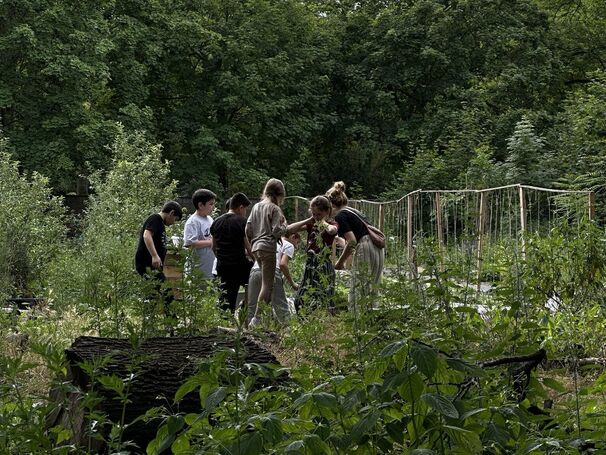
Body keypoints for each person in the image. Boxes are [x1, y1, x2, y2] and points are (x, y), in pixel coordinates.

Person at [326, 181, 384, 309]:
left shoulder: (340, 216)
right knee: (373, 287)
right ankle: (373, 321)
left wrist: (340, 262)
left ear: (330, 205)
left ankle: (357, 322)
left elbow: (352, 241)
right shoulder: (353, 211)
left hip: (366, 246)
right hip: (377, 247)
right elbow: (356, 237)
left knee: (359, 287)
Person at [245, 178, 288, 326]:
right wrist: (285, 226)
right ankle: (256, 320)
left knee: (266, 283)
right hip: (268, 247)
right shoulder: (274, 208)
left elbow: (248, 229)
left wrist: (254, 239)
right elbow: (277, 231)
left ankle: (261, 318)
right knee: (267, 285)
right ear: (280, 194)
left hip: (255, 247)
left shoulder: (256, 206)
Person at [287, 195, 338, 312]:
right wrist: (309, 220)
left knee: (325, 298)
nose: (316, 217)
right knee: (300, 299)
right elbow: (289, 229)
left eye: (319, 214)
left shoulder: (332, 223)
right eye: (313, 214)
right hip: (310, 264)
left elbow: (332, 231)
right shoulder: (311, 223)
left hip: (323, 263)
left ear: (327, 211)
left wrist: (322, 221)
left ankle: (325, 324)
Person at [134, 201, 183, 310]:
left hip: (153, 266)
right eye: (175, 219)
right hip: (146, 264)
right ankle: (171, 322)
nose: (173, 222)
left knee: (153, 294)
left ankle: (149, 320)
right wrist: (155, 256)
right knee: (167, 293)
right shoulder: (155, 218)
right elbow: (146, 235)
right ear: (171, 213)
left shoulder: (160, 223)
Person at [210, 192, 254, 313]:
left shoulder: (216, 222)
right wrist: (257, 261)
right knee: (257, 281)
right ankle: (247, 309)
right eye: (245, 209)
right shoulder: (241, 222)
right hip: (239, 265)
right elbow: (249, 248)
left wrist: (221, 258)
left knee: (226, 298)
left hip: (222, 266)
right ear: (240, 207)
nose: (245, 212)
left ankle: (225, 322)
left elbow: (213, 247)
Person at [247, 232, 300, 326]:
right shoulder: (288, 245)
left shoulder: (270, 241)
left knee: (253, 305)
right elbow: (283, 264)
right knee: (281, 305)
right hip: (272, 271)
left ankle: (248, 332)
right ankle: (289, 332)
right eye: (297, 242)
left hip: (255, 270)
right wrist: (292, 283)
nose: (297, 246)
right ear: (293, 237)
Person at [183, 189, 216, 280]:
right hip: (197, 270)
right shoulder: (193, 221)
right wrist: (211, 242)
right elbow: (191, 244)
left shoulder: (210, 219)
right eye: (211, 204)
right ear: (201, 205)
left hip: (209, 268)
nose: (213, 207)